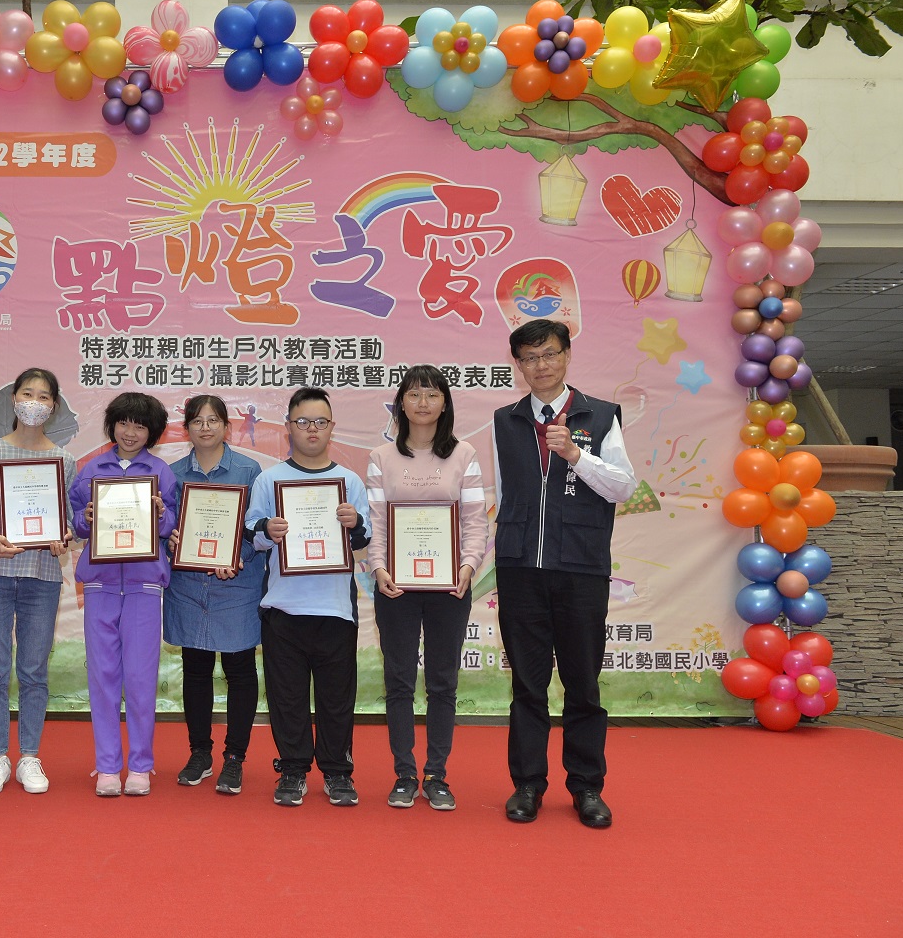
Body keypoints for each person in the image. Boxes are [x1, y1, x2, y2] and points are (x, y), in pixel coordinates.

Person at [492, 320, 636, 829]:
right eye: (530, 358)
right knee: (527, 685)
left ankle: (587, 787)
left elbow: (623, 487)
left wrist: (576, 455)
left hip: (580, 568)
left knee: (582, 683)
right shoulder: (505, 420)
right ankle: (527, 784)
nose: (541, 365)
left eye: (549, 354)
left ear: (567, 356)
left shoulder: (600, 415)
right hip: (520, 570)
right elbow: (503, 494)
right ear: (518, 365)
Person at [366, 365, 487, 811]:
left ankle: (436, 774)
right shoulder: (381, 457)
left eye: (432, 394)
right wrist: (379, 568)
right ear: (401, 403)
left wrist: (468, 566)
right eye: (414, 394)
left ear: (444, 404)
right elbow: (377, 521)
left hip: (449, 586)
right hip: (394, 586)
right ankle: (404, 774)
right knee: (398, 681)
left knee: (442, 682)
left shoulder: (464, 454)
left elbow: (475, 520)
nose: (422, 403)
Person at [245, 387, 371, 807]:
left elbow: (363, 539)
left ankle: (337, 772)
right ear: (288, 428)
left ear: (332, 427)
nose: (311, 429)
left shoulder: (349, 482)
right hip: (283, 607)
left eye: (320, 422)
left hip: (335, 608)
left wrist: (353, 523)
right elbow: (251, 533)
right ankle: (293, 769)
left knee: (337, 698)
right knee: (287, 697)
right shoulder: (269, 480)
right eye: (302, 422)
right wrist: (268, 529)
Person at [70, 392, 179, 797]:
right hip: (99, 584)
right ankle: (107, 766)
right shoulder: (90, 470)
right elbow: (77, 523)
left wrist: (161, 515)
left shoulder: (162, 473)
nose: (130, 433)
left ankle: (140, 766)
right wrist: (85, 518)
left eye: (140, 426)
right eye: (123, 423)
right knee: (102, 677)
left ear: (153, 433)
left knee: (139, 677)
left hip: (144, 586)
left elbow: (171, 525)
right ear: (112, 425)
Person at [0, 368, 77, 797]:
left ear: (54, 406)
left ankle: (29, 755)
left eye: (44, 396)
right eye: (27, 394)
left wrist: (64, 536)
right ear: (14, 399)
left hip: (42, 576)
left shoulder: (64, 461)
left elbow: (67, 521)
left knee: (34, 670)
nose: (34, 402)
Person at [164, 395, 265, 795]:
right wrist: (170, 540)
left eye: (213, 420)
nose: (205, 427)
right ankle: (200, 753)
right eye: (197, 421)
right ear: (186, 428)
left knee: (240, 670)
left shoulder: (249, 471)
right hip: (189, 586)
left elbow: (256, 528)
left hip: (236, 584)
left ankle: (235, 757)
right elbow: (165, 526)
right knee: (196, 668)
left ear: (226, 426)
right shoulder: (172, 474)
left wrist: (238, 556)